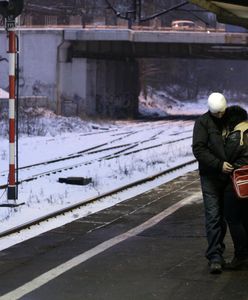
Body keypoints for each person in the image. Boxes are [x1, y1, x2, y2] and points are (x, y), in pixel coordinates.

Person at [192, 92, 234, 274]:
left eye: (222, 112)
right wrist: (218, 165)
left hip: (230, 176)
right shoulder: (202, 123)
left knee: (229, 217)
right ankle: (215, 256)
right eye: (216, 113)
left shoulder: (231, 119)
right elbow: (198, 149)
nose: (220, 116)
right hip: (210, 176)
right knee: (213, 216)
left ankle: (235, 253)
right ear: (210, 110)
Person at [223, 105, 248, 269]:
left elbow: (225, 157)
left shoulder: (236, 135)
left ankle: (241, 256)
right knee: (246, 218)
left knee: (233, 219)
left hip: (238, 182)